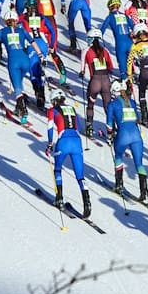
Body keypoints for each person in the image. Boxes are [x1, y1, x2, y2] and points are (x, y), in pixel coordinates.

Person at [46, 87, 91, 216]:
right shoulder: (72, 109)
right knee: (80, 175)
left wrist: (50, 144)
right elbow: (79, 127)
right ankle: (87, 201)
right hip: (77, 142)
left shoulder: (52, 110)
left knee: (58, 169)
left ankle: (59, 198)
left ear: (54, 101)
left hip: (63, 142)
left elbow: (50, 128)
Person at [106, 78, 148, 201]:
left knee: (118, 157)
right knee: (139, 164)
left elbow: (109, 124)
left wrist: (109, 135)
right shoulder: (132, 102)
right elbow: (136, 119)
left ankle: (119, 185)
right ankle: (144, 191)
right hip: (136, 136)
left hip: (123, 135)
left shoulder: (112, 104)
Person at [0, 11, 36, 119]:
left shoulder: (1, 32)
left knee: (17, 87)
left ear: (5, 22)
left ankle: (23, 111)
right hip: (25, 60)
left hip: (13, 61)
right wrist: (40, 54)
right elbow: (32, 42)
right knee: (19, 83)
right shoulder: (22, 30)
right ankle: (18, 107)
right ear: (16, 21)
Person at [80, 27, 115, 137]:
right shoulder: (105, 50)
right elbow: (111, 67)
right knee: (108, 107)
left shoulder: (86, 50)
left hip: (95, 80)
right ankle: (112, 129)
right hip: (106, 80)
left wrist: (81, 73)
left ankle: (89, 127)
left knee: (90, 105)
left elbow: (82, 69)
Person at [104, 0, 133, 78]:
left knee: (122, 63)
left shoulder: (110, 17)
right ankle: (131, 76)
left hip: (120, 44)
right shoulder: (125, 16)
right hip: (130, 42)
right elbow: (134, 27)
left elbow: (101, 31)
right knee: (130, 63)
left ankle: (124, 81)